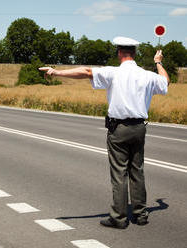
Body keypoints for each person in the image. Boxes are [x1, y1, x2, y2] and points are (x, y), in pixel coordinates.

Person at [39, 36, 169, 229]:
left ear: (119, 53)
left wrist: (56, 72)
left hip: (119, 129)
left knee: (119, 173)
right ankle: (141, 215)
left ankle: (119, 218)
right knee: (137, 171)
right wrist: (158, 63)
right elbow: (165, 81)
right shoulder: (147, 75)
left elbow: (85, 71)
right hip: (140, 128)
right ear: (134, 53)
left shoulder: (113, 73)